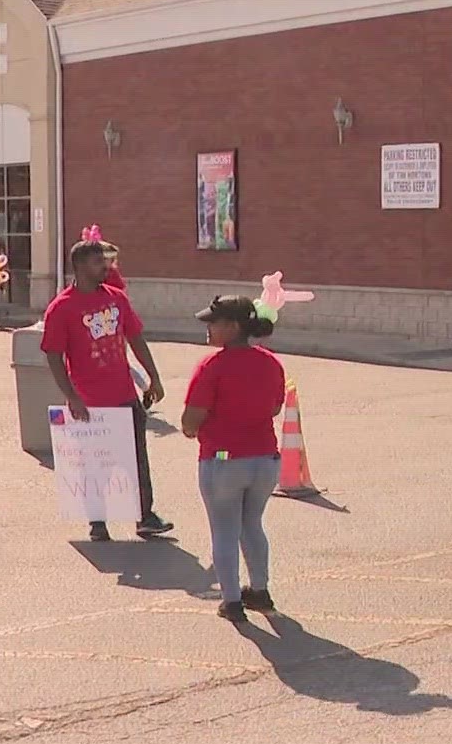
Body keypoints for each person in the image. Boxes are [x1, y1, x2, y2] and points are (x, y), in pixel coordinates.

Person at [41, 239, 174, 543]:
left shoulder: (117, 299)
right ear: (80, 266)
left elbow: (136, 337)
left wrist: (154, 376)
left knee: (136, 460)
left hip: (125, 395)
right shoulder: (62, 307)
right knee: (95, 464)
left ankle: (145, 517)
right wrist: (72, 396)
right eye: (99, 262)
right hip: (89, 402)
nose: (107, 267)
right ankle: (97, 522)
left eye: (107, 261)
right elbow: (52, 354)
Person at [182, 295, 287, 621]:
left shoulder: (212, 366)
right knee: (252, 524)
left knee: (224, 529)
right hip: (264, 458)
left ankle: (232, 601)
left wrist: (192, 430)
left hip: (224, 459)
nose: (208, 328)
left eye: (214, 323)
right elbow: (274, 408)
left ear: (233, 326)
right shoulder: (270, 362)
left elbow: (191, 418)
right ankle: (260, 589)